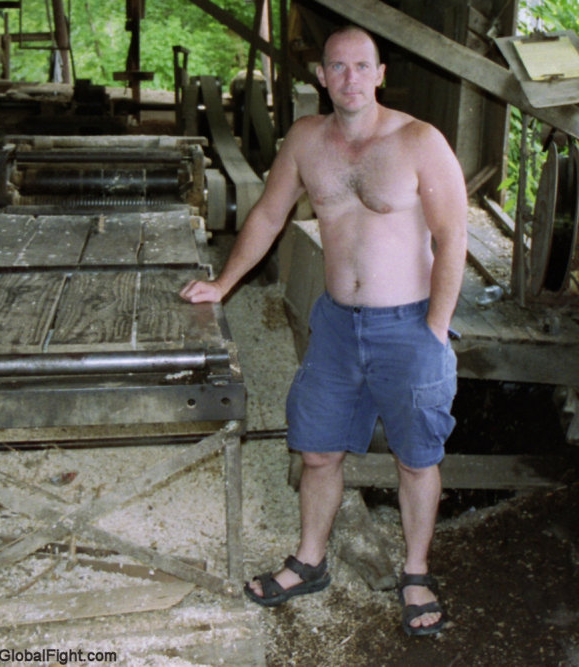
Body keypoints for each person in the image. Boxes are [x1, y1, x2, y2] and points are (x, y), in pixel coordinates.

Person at [180, 25, 467, 636]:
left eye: (362, 66)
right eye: (337, 66)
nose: (350, 77)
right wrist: (223, 284)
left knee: (417, 458)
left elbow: (452, 239)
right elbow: (267, 212)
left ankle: (416, 572)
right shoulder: (307, 139)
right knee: (317, 449)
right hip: (336, 325)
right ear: (321, 76)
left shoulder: (420, 141)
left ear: (380, 73)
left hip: (409, 324)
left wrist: (436, 330)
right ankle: (310, 561)